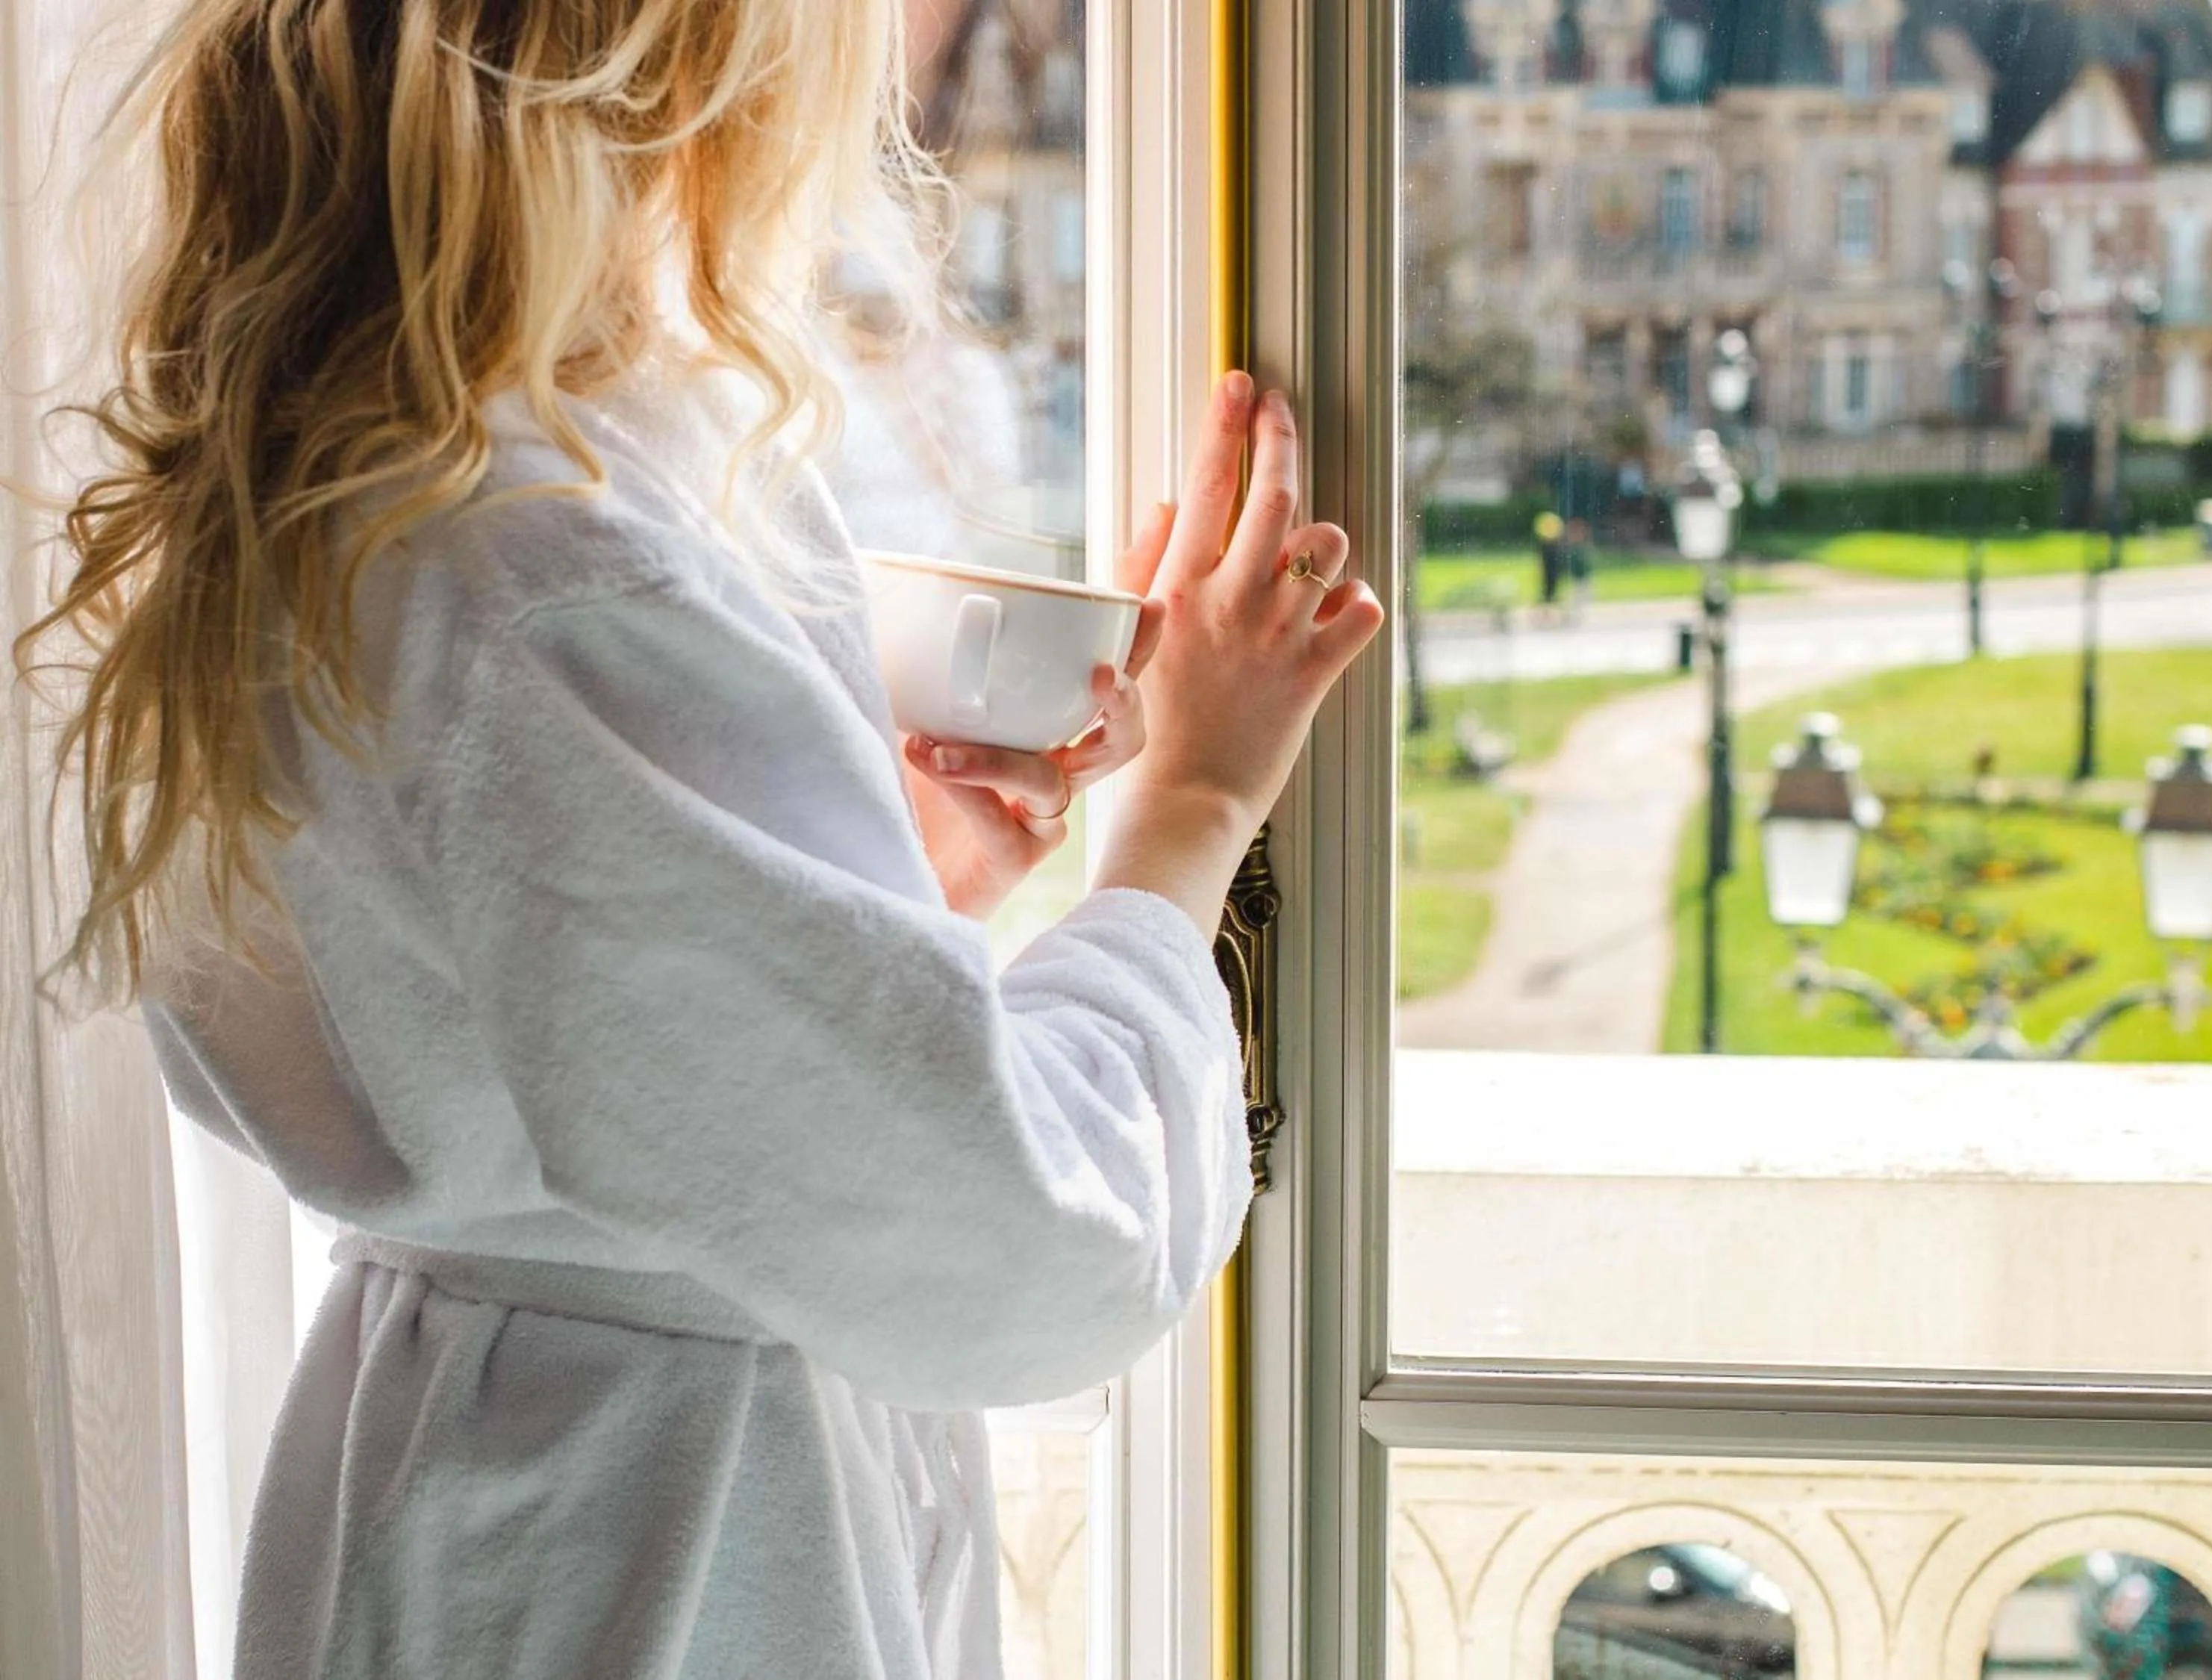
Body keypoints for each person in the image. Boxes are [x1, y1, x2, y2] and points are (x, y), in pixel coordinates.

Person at [13, 1, 1383, 1676]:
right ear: (688, 75)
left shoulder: (339, 498)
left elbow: (520, 1002)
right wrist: (1191, 811)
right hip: (669, 1555)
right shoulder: (555, 564)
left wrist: (870, 890)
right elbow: (1012, 1244)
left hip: (462, 1491)